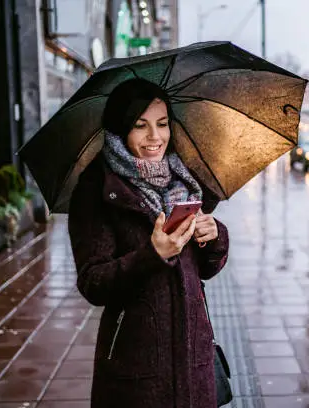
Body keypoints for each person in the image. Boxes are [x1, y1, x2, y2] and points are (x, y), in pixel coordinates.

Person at [68, 78, 230, 408]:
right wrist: (152, 254)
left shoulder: (184, 178)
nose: (155, 137)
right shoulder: (97, 188)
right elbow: (93, 282)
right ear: (120, 129)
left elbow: (207, 269)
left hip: (193, 357)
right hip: (137, 366)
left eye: (162, 124)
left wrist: (213, 236)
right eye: (141, 126)